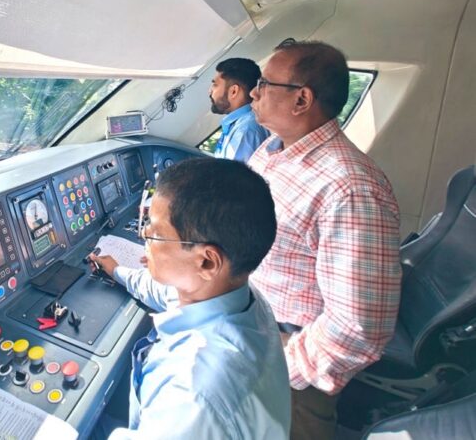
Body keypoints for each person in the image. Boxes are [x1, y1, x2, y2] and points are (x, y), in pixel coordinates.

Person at [247, 40, 401, 440]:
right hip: (258, 329)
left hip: (294, 369)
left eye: (264, 83)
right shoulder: (273, 151)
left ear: (301, 100)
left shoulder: (349, 188)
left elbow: (359, 325)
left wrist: (285, 363)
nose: (253, 91)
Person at [89, 158, 290, 439]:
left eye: (156, 234)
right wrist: (118, 272)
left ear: (207, 262)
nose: (144, 234)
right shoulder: (242, 296)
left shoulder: (193, 395)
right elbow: (164, 291)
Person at [209, 58, 269, 162]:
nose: (210, 91)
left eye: (215, 85)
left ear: (233, 91)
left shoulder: (246, 130)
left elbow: (230, 177)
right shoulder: (238, 125)